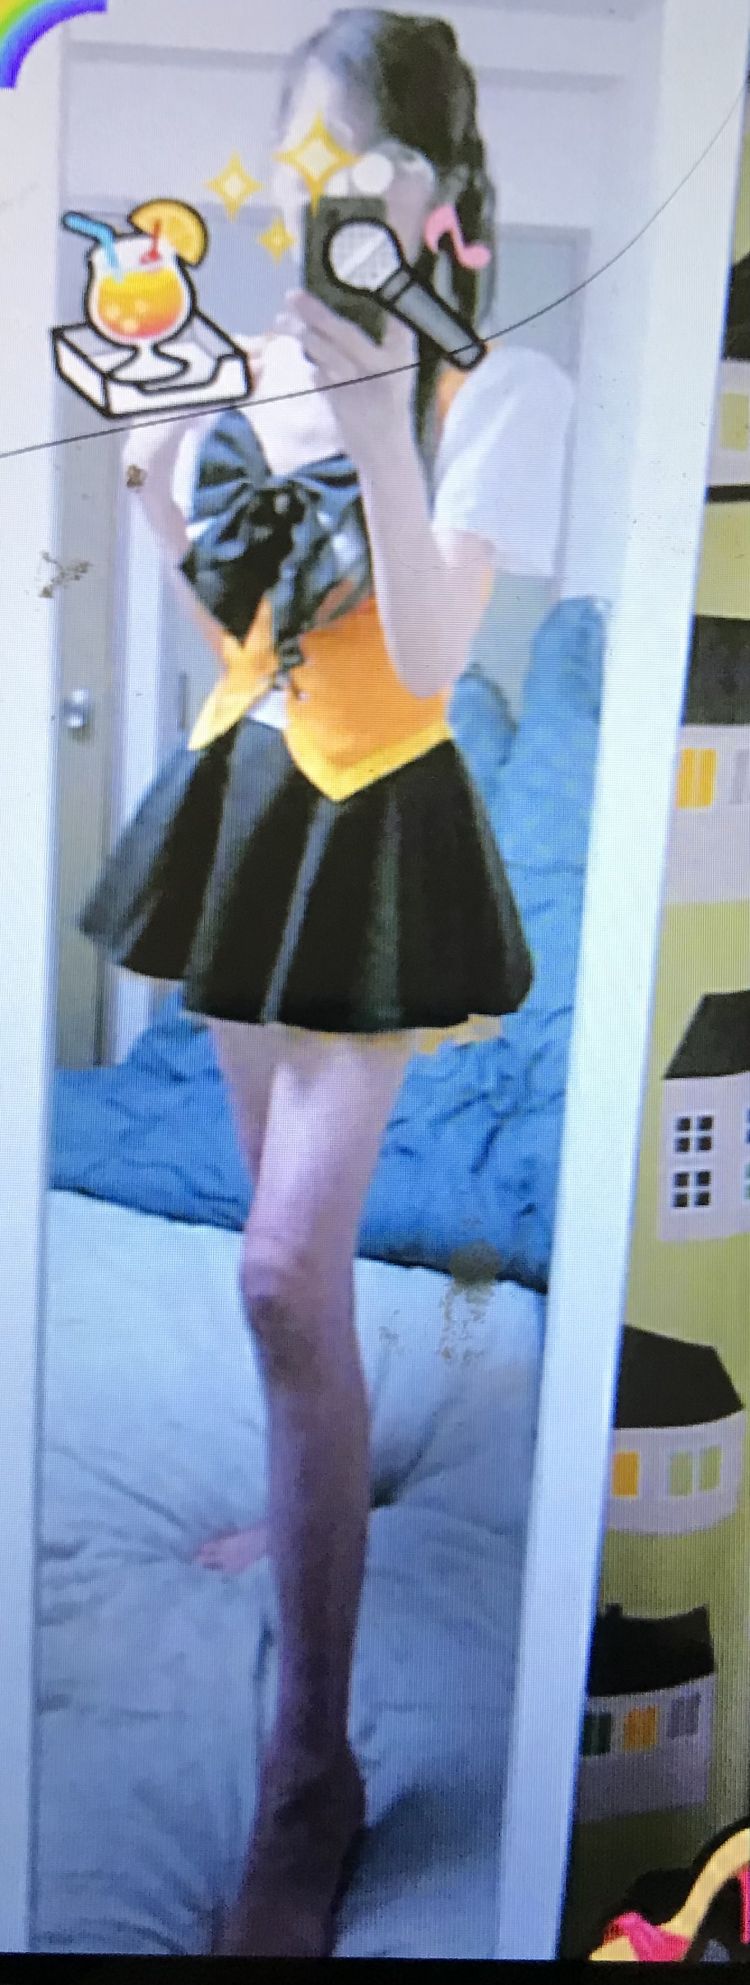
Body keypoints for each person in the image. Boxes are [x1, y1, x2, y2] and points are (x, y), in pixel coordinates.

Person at [81, 9, 573, 1958]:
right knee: (286, 1291)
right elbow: (247, 632)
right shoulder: (263, 374)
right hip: (243, 812)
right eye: (296, 163)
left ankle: (313, 1774)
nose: (318, 199)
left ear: (437, 191)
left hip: (378, 836)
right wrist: (150, 486)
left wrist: (374, 412)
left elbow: (433, 656)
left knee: (287, 1272)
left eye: (353, 162)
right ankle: (325, 1474)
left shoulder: (504, 383)